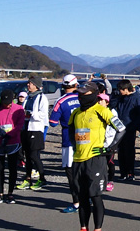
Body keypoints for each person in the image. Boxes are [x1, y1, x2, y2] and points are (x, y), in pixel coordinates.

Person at [69, 82, 126, 231]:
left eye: (84, 93)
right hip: (78, 160)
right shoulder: (76, 112)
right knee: (82, 198)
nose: (81, 96)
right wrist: (75, 147)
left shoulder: (101, 110)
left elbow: (121, 128)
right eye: (79, 93)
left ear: (94, 94)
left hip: (95, 160)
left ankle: (97, 229)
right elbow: (70, 130)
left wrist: (110, 148)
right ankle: (83, 228)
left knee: (95, 196)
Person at [49, 74, 81, 212]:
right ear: (76, 85)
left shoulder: (61, 101)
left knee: (71, 173)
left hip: (68, 139)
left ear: (63, 86)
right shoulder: (83, 98)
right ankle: (89, 197)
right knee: (84, 171)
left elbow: (53, 122)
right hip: (85, 138)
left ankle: (76, 202)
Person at [0, 89, 25, 205]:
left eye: (9, 102)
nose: (7, 104)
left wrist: (10, 134)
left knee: (12, 168)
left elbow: (20, 124)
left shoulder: (18, 109)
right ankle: (0, 193)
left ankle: (10, 193)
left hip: (13, 142)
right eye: (5, 102)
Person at [17, 76, 49, 191]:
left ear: (36, 85)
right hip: (25, 129)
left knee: (34, 156)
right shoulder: (27, 97)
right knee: (27, 156)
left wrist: (30, 114)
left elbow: (43, 114)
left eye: (30, 83)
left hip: (36, 129)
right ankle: (28, 178)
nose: (28, 85)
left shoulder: (41, 98)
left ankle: (42, 178)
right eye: (28, 83)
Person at [112, 80, 140, 181]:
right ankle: (123, 172)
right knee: (121, 151)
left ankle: (130, 172)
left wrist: (134, 126)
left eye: (121, 90)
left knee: (129, 151)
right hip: (120, 128)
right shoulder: (120, 98)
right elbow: (112, 105)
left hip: (129, 128)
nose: (120, 91)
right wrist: (115, 96)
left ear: (126, 89)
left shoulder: (136, 98)